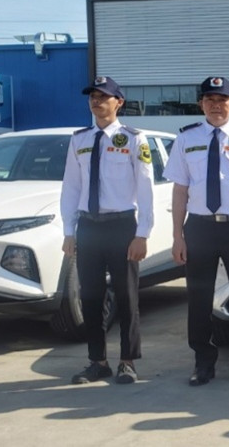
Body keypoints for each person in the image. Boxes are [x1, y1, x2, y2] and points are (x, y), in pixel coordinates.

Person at [163, 76, 229, 387]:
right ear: (201, 104)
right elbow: (179, 191)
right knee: (198, 299)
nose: (216, 105)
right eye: (209, 99)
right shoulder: (186, 138)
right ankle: (203, 361)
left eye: (222, 100)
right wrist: (177, 236)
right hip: (200, 228)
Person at [60, 75, 154, 385]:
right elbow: (71, 186)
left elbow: (145, 187)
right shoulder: (79, 140)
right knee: (91, 297)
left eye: (103, 96)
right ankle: (97, 361)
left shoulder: (133, 139)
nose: (97, 101)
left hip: (121, 226)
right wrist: (69, 230)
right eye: (93, 97)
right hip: (88, 226)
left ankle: (127, 361)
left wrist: (142, 233)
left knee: (126, 297)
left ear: (119, 102)